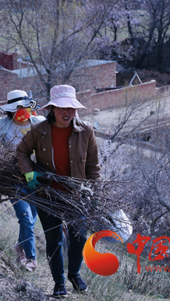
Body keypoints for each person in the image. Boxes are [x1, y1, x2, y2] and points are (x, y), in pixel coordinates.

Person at [17, 85, 100, 298]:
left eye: (71, 108)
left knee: (79, 236)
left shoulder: (86, 131)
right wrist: (29, 173)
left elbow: (93, 166)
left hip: (76, 196)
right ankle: (59, 283)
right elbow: (22, 152)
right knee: (54, 239)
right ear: (52, 108)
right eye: (62, 107)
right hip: (48, 194)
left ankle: (74, 273)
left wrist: (93, 194)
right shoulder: (39, 131)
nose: (67, 112)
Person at [0, 90, 44, 272]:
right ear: (11, 111)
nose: (22, 112)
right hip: (13, 179)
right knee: (25, 217)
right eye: (18, 109)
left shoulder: (38, 123)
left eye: (25, 108)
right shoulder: (3, 125)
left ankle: (20, 245)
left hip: (36, 179)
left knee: (31, 218)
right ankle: (30, 258)